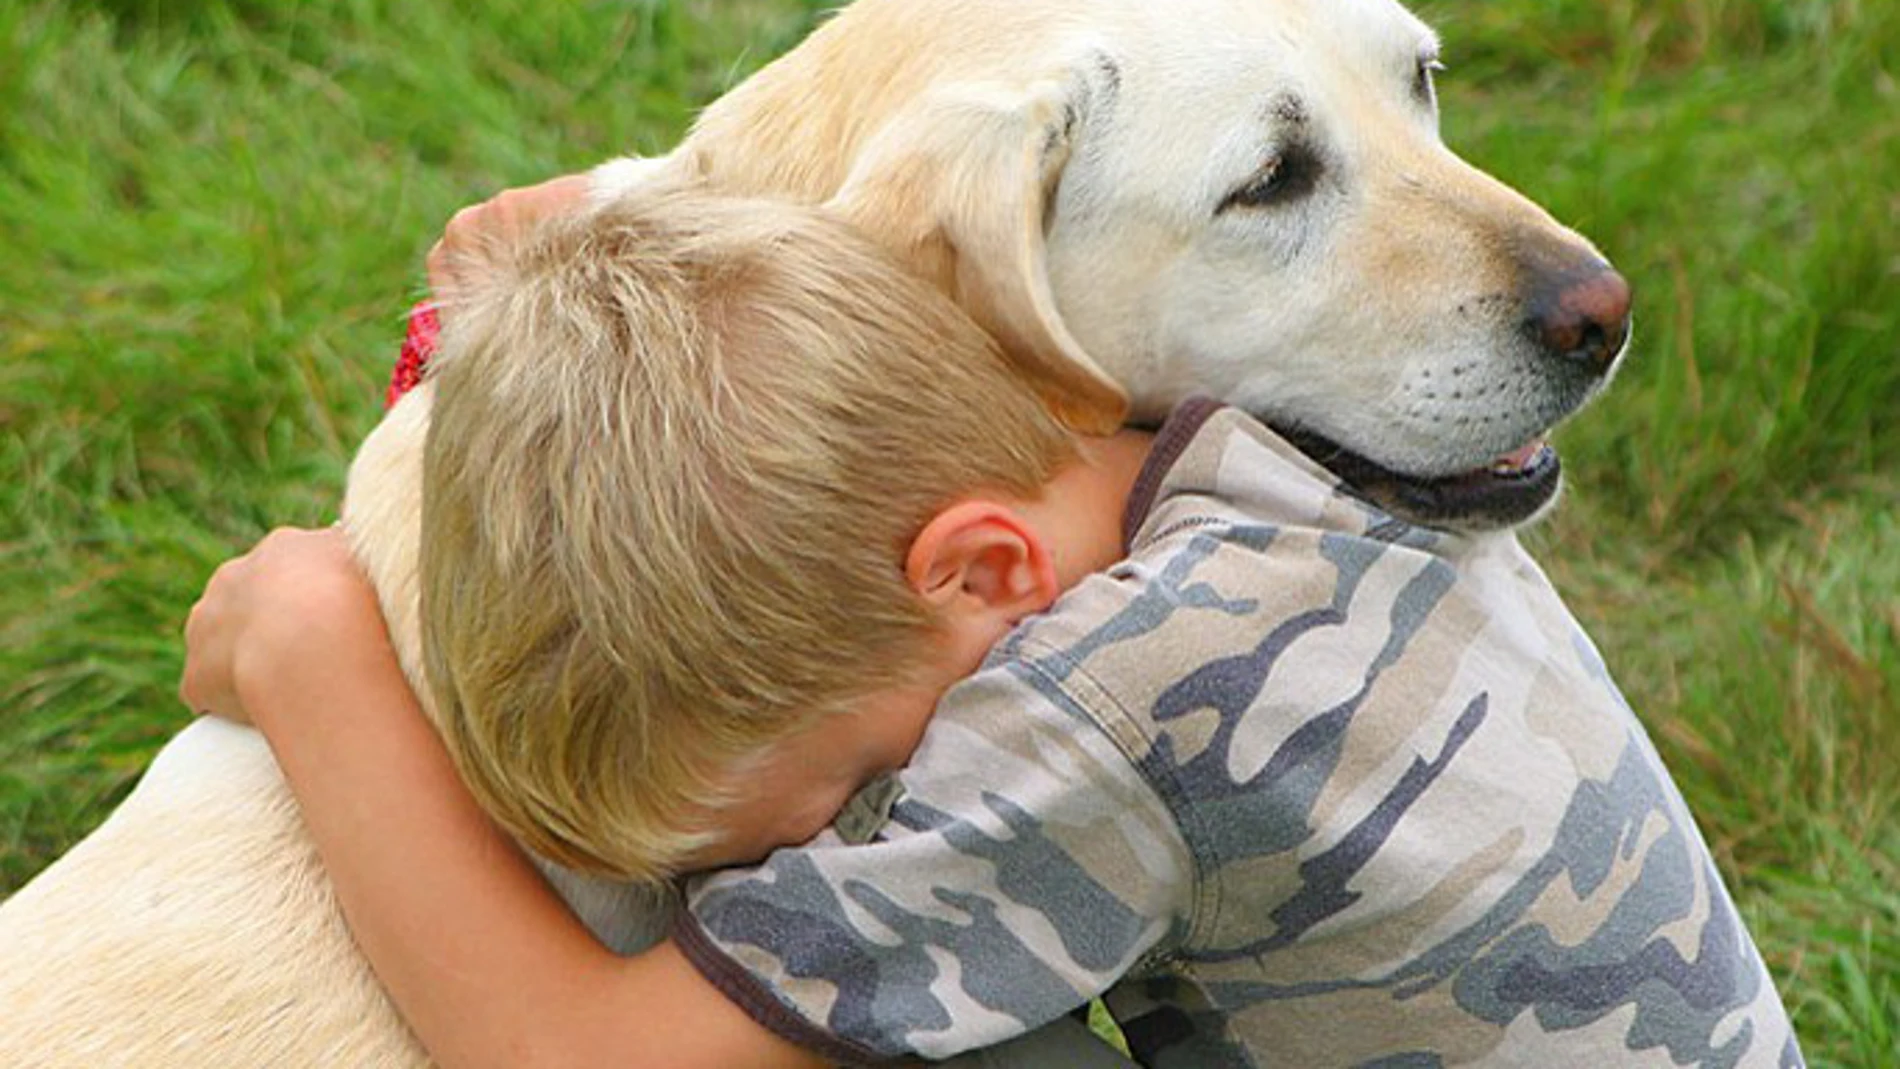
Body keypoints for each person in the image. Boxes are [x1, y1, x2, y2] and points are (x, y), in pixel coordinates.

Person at [183, 185, 1802, 1068]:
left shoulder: (1113, 711)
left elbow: (575, 1060)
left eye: (834, 803)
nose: (808, 863)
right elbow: (863, 291)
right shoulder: (1261, 454)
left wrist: (313, 653)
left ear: (980, 573)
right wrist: (615, 242)